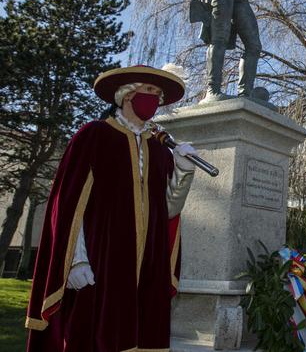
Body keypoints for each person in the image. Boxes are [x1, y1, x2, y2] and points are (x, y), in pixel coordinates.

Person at [25, 65, 198, 351]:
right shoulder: (94, 136)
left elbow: (166, 211)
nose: (154, 99)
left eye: (158, 94)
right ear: (128, 94)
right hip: (101, 260)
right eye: (149, 91)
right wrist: (76, 260)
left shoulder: (158, 150)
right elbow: (67, 204)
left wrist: (183, 170)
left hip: (147, 267)